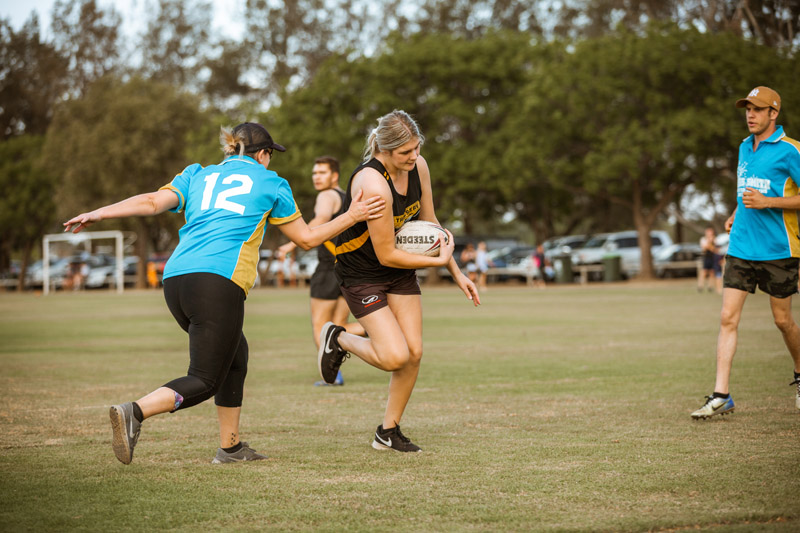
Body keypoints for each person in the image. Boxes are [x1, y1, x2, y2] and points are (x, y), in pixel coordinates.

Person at [63, 122, 385, 463]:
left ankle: (230, 447)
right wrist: (353, 215)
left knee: (236, 356)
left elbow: (150, 202)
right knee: (204, 379)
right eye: (270, 156)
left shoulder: (196, 174)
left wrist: (99, 212)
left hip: (175, 280)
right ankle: (135, 411)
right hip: (217, 282)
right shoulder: (272, 183)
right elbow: (306, 238)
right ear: (263, 154)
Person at [317, 110, 480, 452]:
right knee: (394, 357)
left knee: (415, 352)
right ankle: (340, 338)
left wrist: (457, 272)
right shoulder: (373, 183)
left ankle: (387, 431)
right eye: (406, 152)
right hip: (362, 273)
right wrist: (436, 261)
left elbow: (430, 222)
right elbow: (386, 253)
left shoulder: (418, 167)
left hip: (398, 270)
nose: (414, 157)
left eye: (417, 148)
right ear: (384, 150)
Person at [691, 86, 800, 419]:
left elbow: (776, 197)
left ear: (773, 113)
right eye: (747, 109)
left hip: (779, 250)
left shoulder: (790, 151)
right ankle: (722, 394)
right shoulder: (743, 148)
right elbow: (746, 192)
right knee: (727, 318)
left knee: (782, 321)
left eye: (757, 109)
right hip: (741, 247)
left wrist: (768, 203)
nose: (750, 115)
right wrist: (737, 212)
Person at [277, 156, 366, 386]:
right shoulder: (347, 199)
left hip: (328, 270)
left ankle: (333, 375)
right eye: (315, 173)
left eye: (322, 173)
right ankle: (375, 329)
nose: (316, 177)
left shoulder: (326, 196)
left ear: (334, 176)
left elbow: (320, 218)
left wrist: (291, 243)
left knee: (321, 326)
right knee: (339, 327)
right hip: (348, 269)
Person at [697, 226, 722, 294]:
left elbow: (715, 249)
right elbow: (704, 248)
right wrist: (709, 243)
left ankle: (710, 286)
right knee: (704, 271)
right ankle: (700, 286)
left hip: (713, 257)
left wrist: (710, 245)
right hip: (706, 257)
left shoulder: (715, 239)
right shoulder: (703, 239)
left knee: (712, 272)